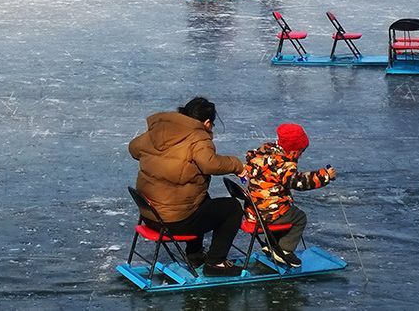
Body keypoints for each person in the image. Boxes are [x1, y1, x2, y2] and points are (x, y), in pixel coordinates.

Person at [128, 97, 245, 277]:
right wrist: (237, 165)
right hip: (174, 222)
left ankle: (195, 254)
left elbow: (134, 149)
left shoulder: (159, 130)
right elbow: (210, 165)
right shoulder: (198, 137)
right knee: (232, 208)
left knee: (200, 199)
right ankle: (216, 263)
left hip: (150, 215)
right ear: (207, 123)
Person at [240, 123, 337, 267]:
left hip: (253, 211)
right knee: (299, 217)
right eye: (300, 151)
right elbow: (298, 182)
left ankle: (271, 244)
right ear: (293, 150)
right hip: (268, 213)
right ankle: (284, 250)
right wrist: (324, 176)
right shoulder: (284, 163)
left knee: (285, 209)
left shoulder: (264, 152)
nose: (300, 154)